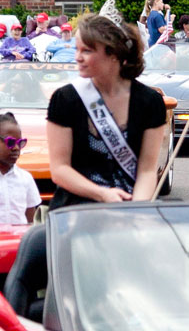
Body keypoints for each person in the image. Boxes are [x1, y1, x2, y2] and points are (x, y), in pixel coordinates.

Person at [46, 11, 167, 209]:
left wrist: (137, 210)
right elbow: (60, 170)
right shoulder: (65, 100)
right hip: (75, 211)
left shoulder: (150, 102)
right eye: (76, 50)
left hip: (131, 208)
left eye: (86, 51)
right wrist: (103, 195)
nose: (77, 57)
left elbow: (147, 171)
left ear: (113, 54)